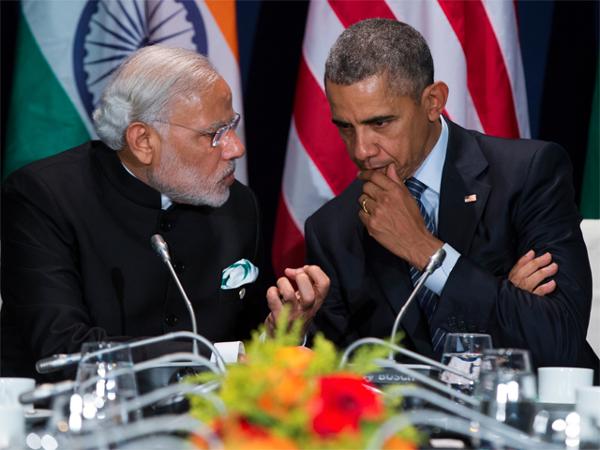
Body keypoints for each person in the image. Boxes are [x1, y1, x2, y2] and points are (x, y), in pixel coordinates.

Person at [1, 46, 328, 381]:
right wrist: (214, 357)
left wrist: (280, 334)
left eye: (232, 125)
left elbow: (251, 340)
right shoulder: (45, 197)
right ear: (143, 141)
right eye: (214, 134)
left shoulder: (237, 205)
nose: (236, 148)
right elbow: (61, 351)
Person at [305, 18, 598, 372]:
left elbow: (561, 342)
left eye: (380, 123)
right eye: (345, 128)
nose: (361, 150)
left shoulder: (527, 175)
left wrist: (425, 250)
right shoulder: (333, 229)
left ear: (433, 102)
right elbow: (341, 376)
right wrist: (506, 301)